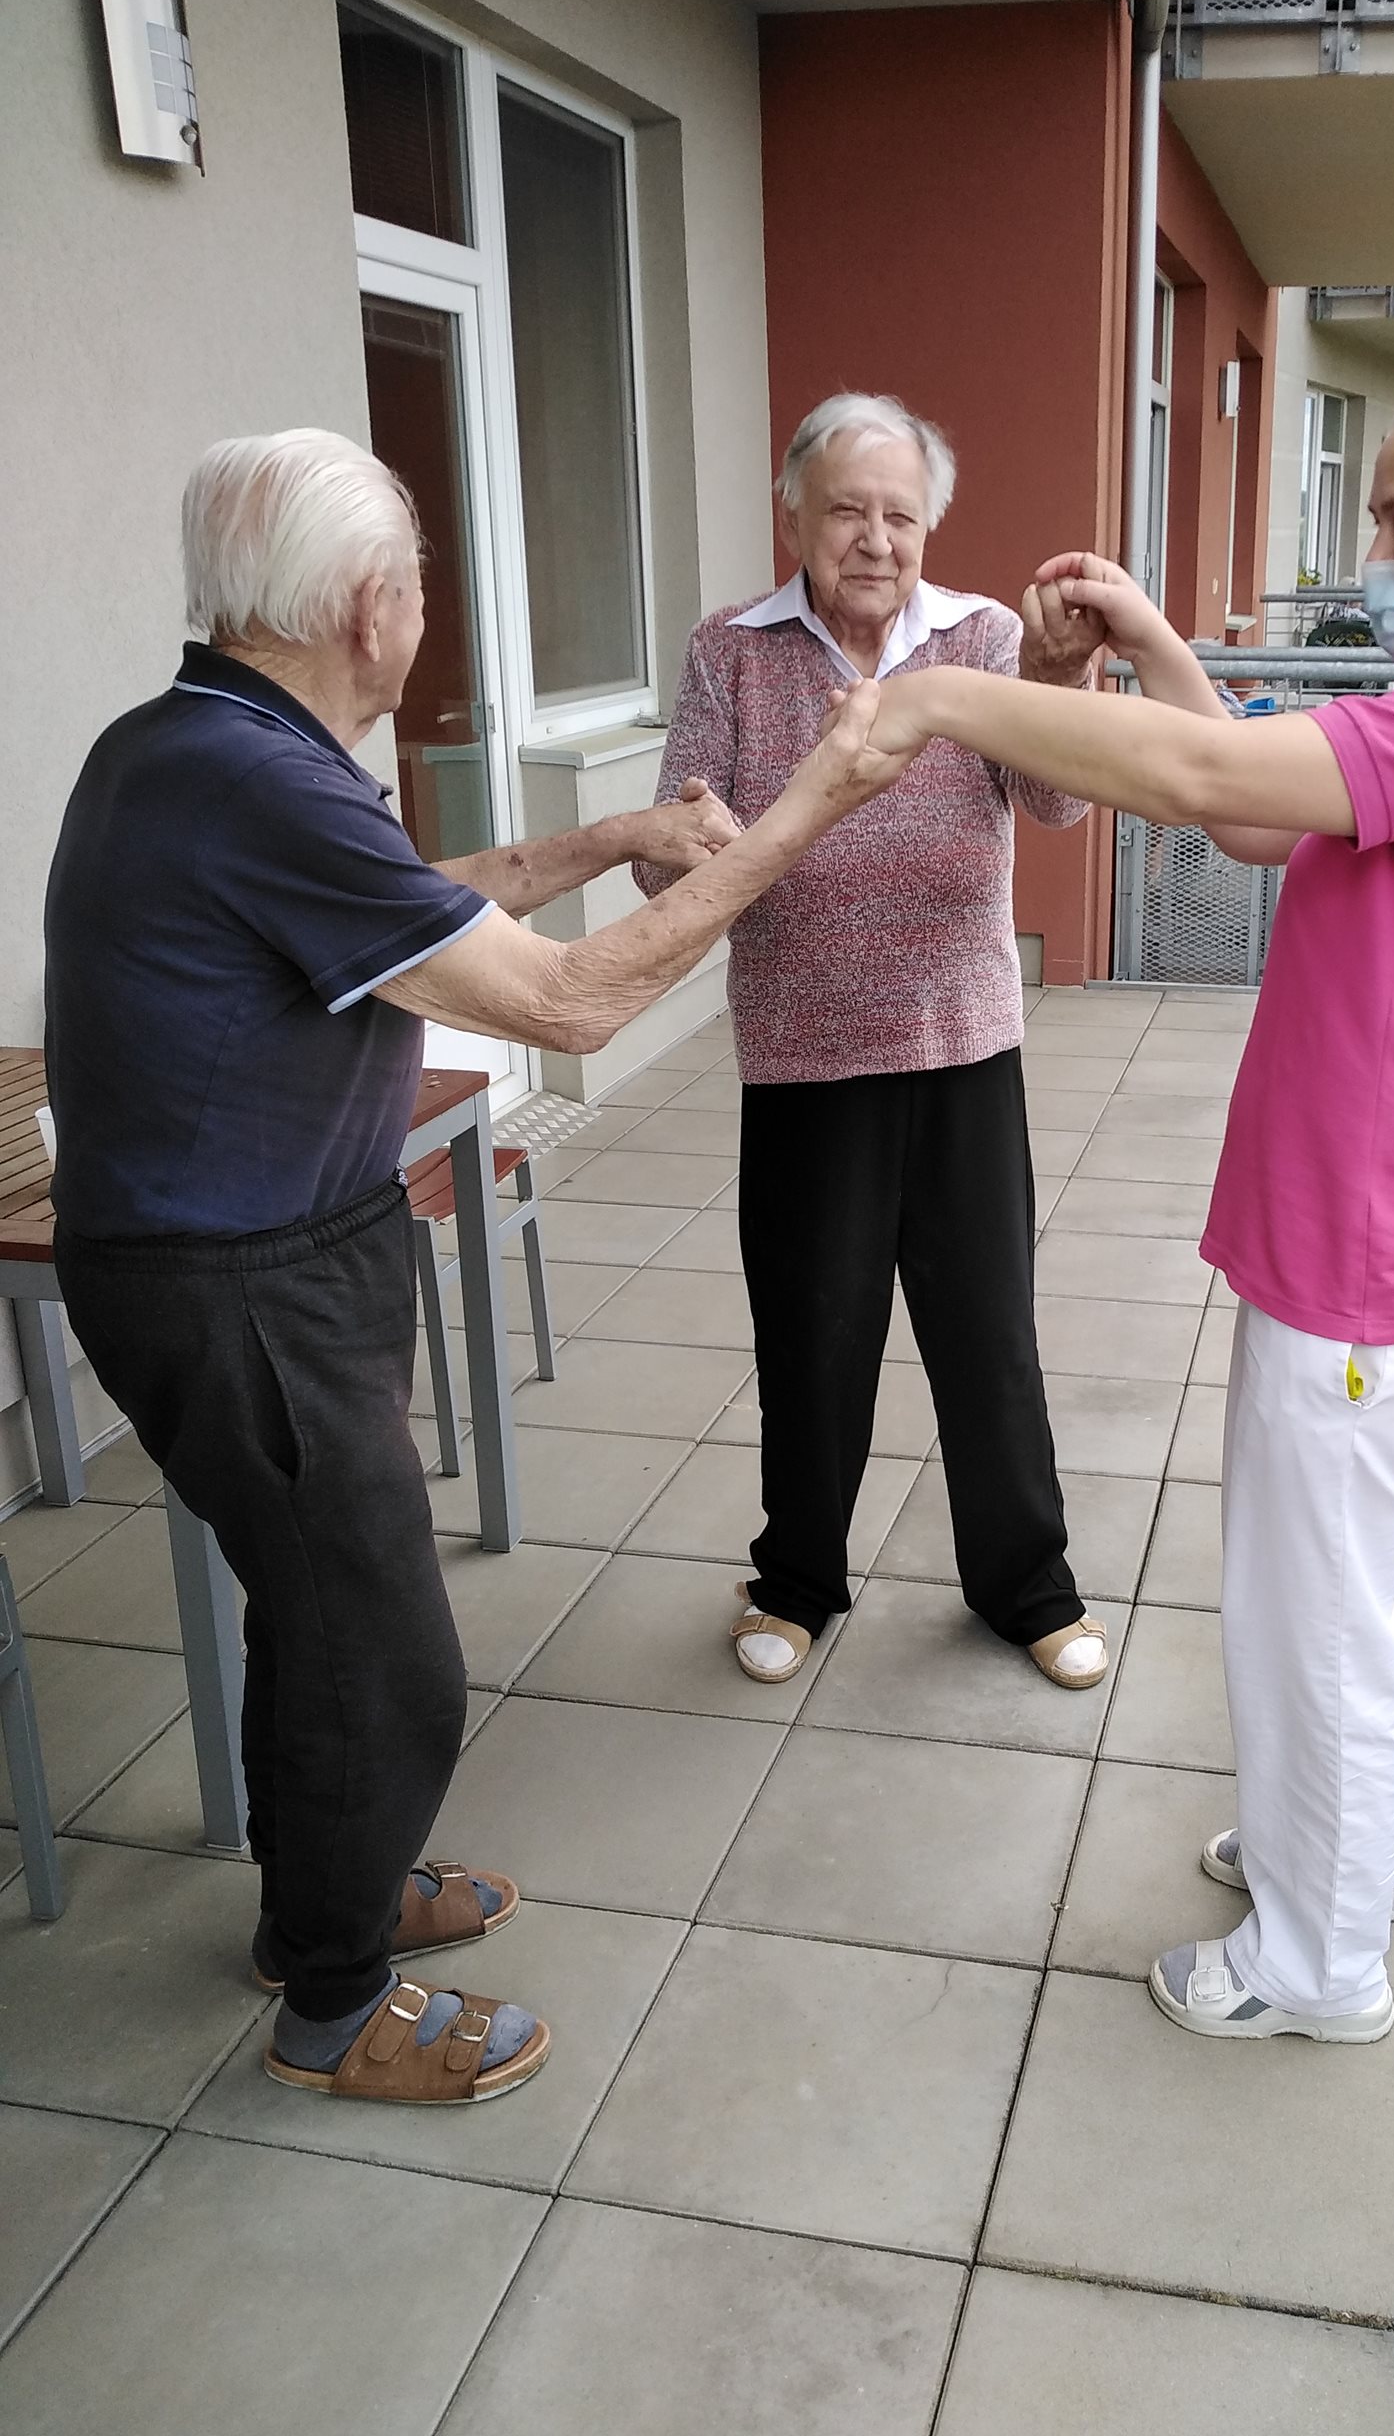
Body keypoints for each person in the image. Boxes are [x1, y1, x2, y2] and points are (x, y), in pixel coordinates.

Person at [43, 428, 917, 2105]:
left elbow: (409, 907)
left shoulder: (196, 746)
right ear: (367, 608)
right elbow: (572, 1007)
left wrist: (611, 841)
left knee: (315, 1615)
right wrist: (809, 809)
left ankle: (326, 1902)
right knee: (388, 1658)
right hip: (239, 1286)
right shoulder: (257, 777)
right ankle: (332, 2009)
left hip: (261, 1258)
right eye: (418, 585)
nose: (420, 616)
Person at [864, 362, 1394, 2041]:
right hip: (1373, 1252)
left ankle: (1317, 1963)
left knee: (1314, 1628)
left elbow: (1205, 788)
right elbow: (1264, 824)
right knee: (1347, 1604)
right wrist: (1155, 639)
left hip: (1373, 1267)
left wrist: (943, 699)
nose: (1378, 556)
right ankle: (1362, 1860)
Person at [642, 391, 1109, 1691]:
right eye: (847, 509)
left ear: (929, 525)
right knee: (812, 1338)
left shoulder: (984, 638)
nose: (875, 538)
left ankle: (1028, 1587)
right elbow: (673, 851)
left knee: (987, 1338)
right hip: (805, 1056)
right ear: (792, 511)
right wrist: (685, 838)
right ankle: (796, 1579)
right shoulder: (731, 653)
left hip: (964, 1046)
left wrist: (1060, 677)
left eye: (900, 514)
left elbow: (1058, 801)